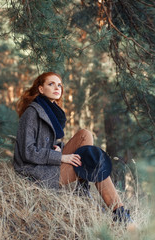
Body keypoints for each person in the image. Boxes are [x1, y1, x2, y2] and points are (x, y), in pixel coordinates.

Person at [13, 72, 132, 224]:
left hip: (46, 164)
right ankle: (120, 214)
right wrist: (61, 156)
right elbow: (27, 152)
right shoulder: (32, 113)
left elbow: (46, 143)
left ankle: (82, 189)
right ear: (41, 89)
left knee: (85, 134)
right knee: (93, 164)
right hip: (35, 173)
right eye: (51, 84)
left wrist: (57, 148)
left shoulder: (50, 111)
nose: (57, 88)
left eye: (59, 85)